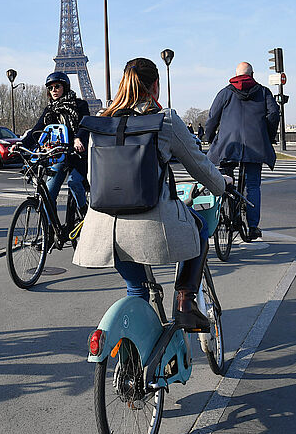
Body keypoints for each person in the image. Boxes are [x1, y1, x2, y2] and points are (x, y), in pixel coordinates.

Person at [73, 57, 228, 331]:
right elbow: (200, 166)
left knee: (136, 289)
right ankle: (186, 301)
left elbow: (91, 178)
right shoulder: (164, 120)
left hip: (103, 230)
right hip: (150, 225)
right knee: (201, 227)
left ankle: (134, 348)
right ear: (156, 85)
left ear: (123, 84)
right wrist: (223, 186)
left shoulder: (100, 123)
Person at [205, 61, 280, 241]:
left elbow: (212, 117)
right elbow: (273, 114)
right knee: (252, 185)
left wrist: (210, 138)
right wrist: (267, 137)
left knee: (224, 181)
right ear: (252, 75)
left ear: (236, 75)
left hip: (228, 145)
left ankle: (225, 213)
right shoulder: (263, 92)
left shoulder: (225, 93)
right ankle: (253, 227)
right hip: (255, 145)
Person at [17, 71, 89, 213]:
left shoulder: (80, 105)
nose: (54, 90)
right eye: (50, 88)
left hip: (77, 154)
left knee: (74, 182)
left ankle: (84, 213)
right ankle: (50, 226)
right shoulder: (50, 110)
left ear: (65, 87)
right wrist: (21, 144)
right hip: (58, 155)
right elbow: (37, 130)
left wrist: (78, 138)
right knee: (48, 196)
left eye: (57, 86)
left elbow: (85, 125)